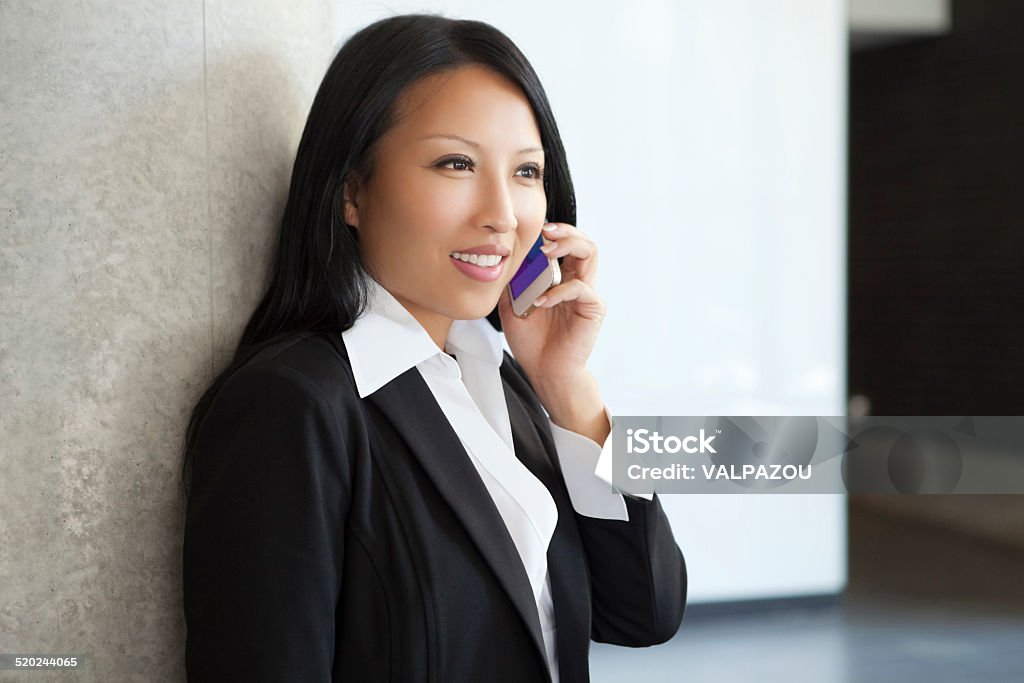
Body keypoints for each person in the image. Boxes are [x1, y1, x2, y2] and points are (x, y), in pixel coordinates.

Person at [180, 12, 686, 682]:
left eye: (526, 172)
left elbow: (644, 611)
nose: (503, 214)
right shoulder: (292, 404)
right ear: (352, 190)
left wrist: (566, 383)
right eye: (457, 163)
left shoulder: (499, 378)